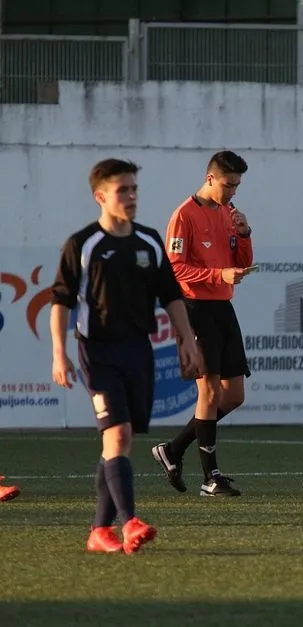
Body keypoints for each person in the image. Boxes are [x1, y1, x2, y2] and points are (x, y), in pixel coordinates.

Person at [49, 158, 201, 553]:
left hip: (138, 349)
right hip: (96, 352)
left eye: (134, 189)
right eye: (123, 190)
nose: (132, 196)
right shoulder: (83, 244)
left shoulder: (149, 241)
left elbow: (171, 295)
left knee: (119, 442)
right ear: (100, 196)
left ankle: (99, 531)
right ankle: (129, 521)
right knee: (118, 434)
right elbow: (61, 302)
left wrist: (187, 340)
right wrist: (59, 354)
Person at [151, 151, 254, 498]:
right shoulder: (184, 215)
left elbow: (242, 261)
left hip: (223, 307)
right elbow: (175, 269)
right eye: (228, 185)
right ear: (211, 178)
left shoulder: (228, 213)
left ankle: (173, 450)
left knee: (234, 396)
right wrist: (218, 274)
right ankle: (212, 477)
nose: (233, 193)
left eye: (237, 186)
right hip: (194, 307)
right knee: (208, 391)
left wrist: (244, 234)